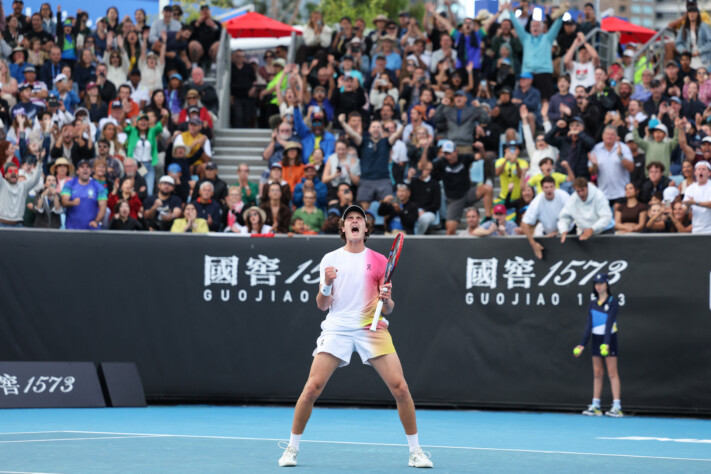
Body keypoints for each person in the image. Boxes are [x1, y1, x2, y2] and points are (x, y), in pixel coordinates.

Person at [278, 204, 433, 469]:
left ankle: (415, 451)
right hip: (337, 327)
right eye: (349, 218)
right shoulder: (330, 259)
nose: (354, 222)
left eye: (359, 219)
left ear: (365, 228)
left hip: (370, 329)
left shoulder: (380, 261)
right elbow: (322, 305)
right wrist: (326, 284)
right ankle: (291, 448)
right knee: (312, 388)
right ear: (343, 227)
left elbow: (389, 307)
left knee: (401, 388)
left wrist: (386, 299)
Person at [573, 273, 623, 418]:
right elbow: (589, 325)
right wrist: (582, 344)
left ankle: (617, 406)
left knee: (612, 373)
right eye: (596, 283)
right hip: (596, 339)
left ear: (606, 284)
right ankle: (596, 405)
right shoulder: (592, 304)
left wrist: (606, 343)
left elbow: (609, 324)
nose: (599, 286)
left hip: (609, 339)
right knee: (597, 373)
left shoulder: (613, 302)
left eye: (601, 283)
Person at [432, 140, 493, 234]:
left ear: (456, 151)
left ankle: (488, 218)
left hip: (468, 193)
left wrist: (481, 148)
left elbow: (482, 156)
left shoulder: (464, 158)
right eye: (446, 154)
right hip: (454, 200)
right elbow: (425, 167)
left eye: (450, 153)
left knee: (487, 188)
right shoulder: (440, 163)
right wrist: (425, 149)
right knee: (450, 230)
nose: (448, 156)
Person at [588, 126, 634, 206]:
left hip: (621, 193)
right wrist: (595, 165)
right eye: (607, 134)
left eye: (612, 135)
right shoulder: (596, 149)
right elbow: (591, 172)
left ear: (616, 137)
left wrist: (620, 156)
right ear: (603, 136)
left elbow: (631, 168)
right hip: (603, 194)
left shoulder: (624, 148)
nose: (609, 136)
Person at [558, 178, 613, 242]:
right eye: (578, 191)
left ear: (587, 187)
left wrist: (592, 229)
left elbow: (606, 217)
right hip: (585, 233)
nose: (581, 193)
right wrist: (563, 230)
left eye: (582, 190)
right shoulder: (573, 199)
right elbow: (564, 217)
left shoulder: (598, 196)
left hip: (605, 231)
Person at [60, 159, 108, 230]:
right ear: (77, 171)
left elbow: (103, 208)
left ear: (91, 171)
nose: (85, 169)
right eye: (82, 167)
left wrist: (96, 221)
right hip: (72, 229)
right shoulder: (69, 184)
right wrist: (72, 203)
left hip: (91, 230)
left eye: (88, 167)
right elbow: (64, 202)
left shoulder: (98, 187)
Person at [0, 155, 43, 227]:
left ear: (18, 174)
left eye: (16, 171)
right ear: (6, 175)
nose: (13, 173)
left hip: (18, 224)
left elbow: (36, 179)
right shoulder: (2, 184)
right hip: (1, 224)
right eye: (10, 171)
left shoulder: (23, 186)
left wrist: (39, 162)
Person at [682, 161, 711, 233]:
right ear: (695, 173)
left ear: (709, 173)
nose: (701, 171)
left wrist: (695, 202)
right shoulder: (690, 189)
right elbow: (685, 210)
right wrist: (688, 205)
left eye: (704, 169)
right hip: (696, 230)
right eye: (698, 169)